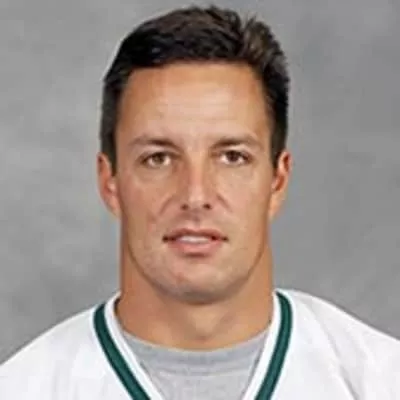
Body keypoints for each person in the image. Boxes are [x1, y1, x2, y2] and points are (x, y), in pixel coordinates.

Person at [1, 5, 399, 400]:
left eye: (232, 157)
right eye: (158, 158)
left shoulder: (380, 381)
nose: (195, 196)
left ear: (277, 181)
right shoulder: (23, 387)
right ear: (110, 182)